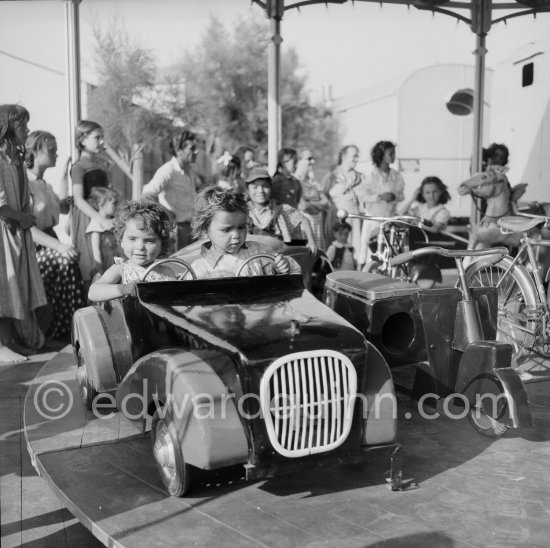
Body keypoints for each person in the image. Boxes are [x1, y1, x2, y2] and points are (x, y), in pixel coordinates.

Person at [25, 130, 86, 340]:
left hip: (50, 242)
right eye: (52, 150)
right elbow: (27, 228)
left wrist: (63, 188)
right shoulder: (25, 184)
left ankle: (70, 328)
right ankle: (64, 330)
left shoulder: (44, 184)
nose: (56, 154)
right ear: (34, 151)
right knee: (66, 260)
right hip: (34, 248)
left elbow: (58, 210)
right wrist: (59, 246)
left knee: (70, 261)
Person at [0, 105, 47, 363]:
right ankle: (2, 344)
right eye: (22, 126)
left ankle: (11, 341)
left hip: (16, 231)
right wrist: (21, 218)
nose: (27, 130)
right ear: (6, 128)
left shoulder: (14, 158)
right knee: (3, 289)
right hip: (4, 232)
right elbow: (1, 204)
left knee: (15, 288)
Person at [190, 185, 300, 279]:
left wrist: (281, 268)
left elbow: (294, 271)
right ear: (205, 229)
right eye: (226, 229)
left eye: (241, 227)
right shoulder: (199, 270)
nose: (236, 235)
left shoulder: (260, 253)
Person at [88, 200, 176, 302]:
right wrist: (124, 289)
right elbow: (93, 292)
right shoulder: (121, 270)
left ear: (162, 243)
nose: (140, 247)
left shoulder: (167, 272)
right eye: (132, 239)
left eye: (149, 241)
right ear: (121, 240)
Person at [70, 120, 113, 289]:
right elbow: (78, 199)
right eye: (97, 138)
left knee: (108, 259)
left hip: (105, 215)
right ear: (82, 140)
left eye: (102, 137)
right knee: (91, 264)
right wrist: (100, 219)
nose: (102, 141)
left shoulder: (103, 164)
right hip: (87, 218)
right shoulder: (78, 167)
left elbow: (110, 192)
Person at [142, 129, 201, 250]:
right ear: (179, 150)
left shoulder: (189, 171)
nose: (197, 151)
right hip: (176, 230)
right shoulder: (168, 170)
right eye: (192, 148)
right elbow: (147, 195)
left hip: (190, 228)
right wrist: (166, 213)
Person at [246, 166, 318, 254]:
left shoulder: (279, 208)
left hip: (277, 257)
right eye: (255, 187)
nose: (260, 191)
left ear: (271, 188)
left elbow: (303, 219)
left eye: (265, 186)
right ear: (248, 189)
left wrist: (311, 242)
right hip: (251, 257)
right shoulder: (243, 210)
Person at [357, 141, 405, 270]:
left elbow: (402, 195)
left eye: (394, 153)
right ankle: (361, 279)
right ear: (381, 155)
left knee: (387, 252)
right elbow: (361, 195)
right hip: (373, 219)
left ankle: (385, 276)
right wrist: (379, 197)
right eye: (390, 153)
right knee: (366, 249)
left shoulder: (397, 176)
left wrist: (394, 197)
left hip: (389, 220)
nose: (393, 155)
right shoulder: (370, 176)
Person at [322, 145, 367, 258]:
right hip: (336, 219)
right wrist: (347, 185)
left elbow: (364, 198)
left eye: (357, 156)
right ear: (343, 156)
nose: (356, 159)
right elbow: (325, 196)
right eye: (354, 156)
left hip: (354, 219)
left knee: (354, 251)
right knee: (334, 252)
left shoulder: (360, 177)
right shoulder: (331, 176)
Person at [295, 150, 329, 250]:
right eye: (309, 159)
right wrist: (319, 205)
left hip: (317, 229)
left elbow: (326, 203)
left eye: (313, 158)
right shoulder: (295, 181)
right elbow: (302, 206)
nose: (312, 161)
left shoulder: (313, 182)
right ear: (299, 161)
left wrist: (311, 204)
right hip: (303, 229)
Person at [86, 186, 120, 277]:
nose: (117, 206)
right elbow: (96, 248)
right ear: (101, 204)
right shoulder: (97, 223)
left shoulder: (112, 221)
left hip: (114, 261)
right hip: (104, 263)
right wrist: (99, 266)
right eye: (114, 203)